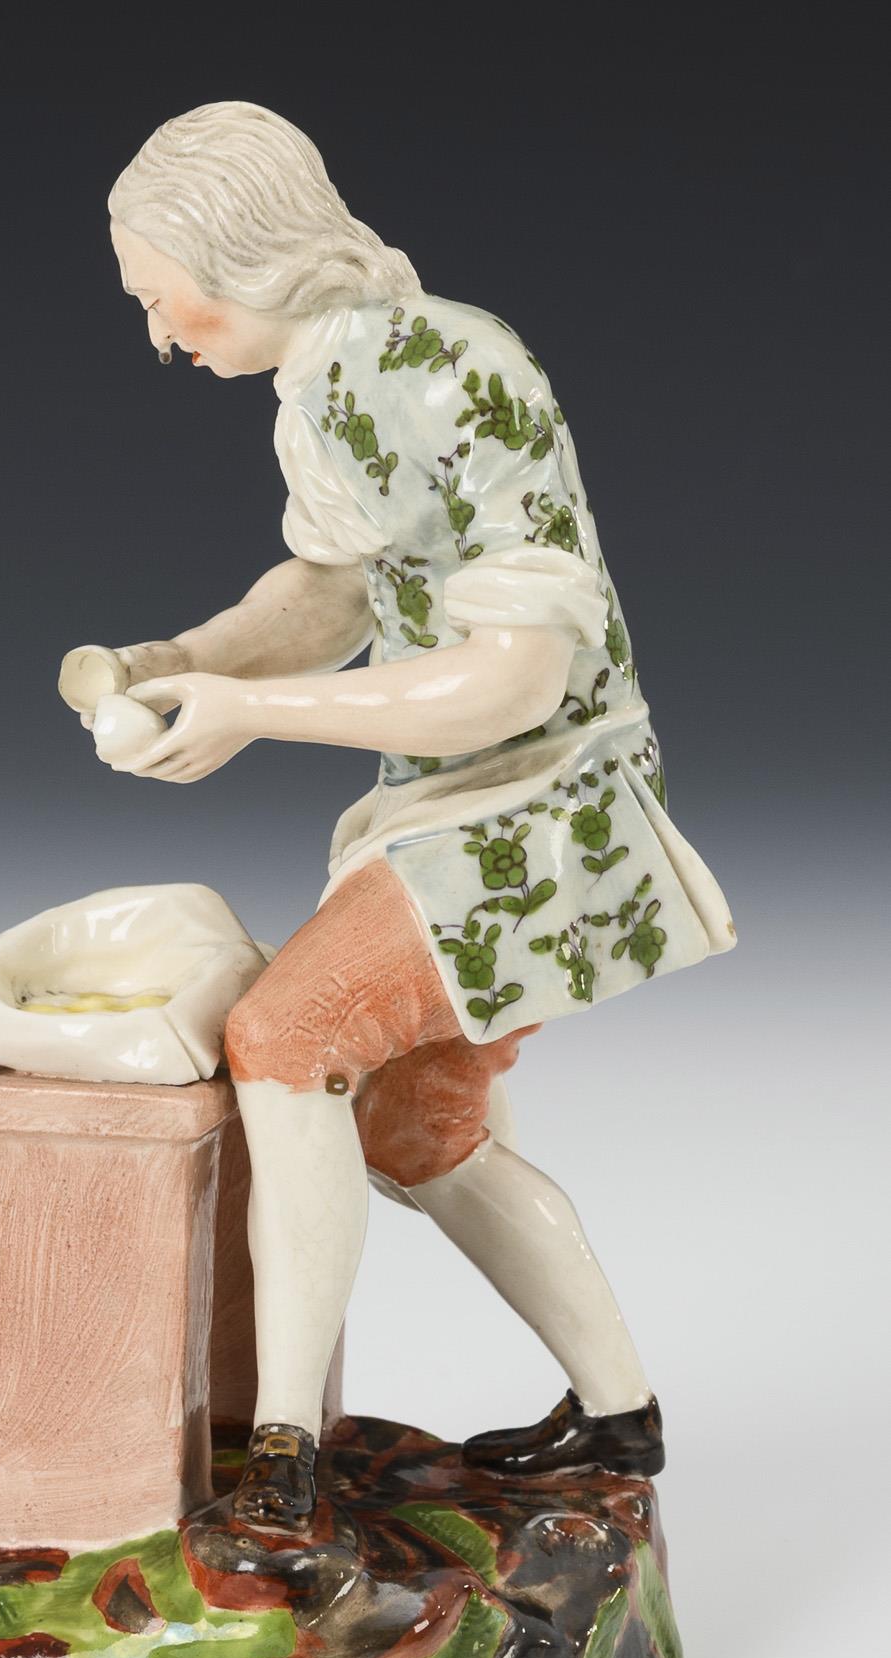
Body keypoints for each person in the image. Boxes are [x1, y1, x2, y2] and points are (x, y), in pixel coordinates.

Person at [72, 102, 734, 1534]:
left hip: (545, 814)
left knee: (285, 1037)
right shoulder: (331, 378)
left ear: (241, 254)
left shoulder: (432, 368)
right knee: (417, 1131)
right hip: (475, 807)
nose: (160, 337)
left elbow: (514, 680)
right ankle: (619, 1418)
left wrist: (253, 713)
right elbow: (332, 595)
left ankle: (282, 1458)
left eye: (159, 297)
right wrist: (178, 663)